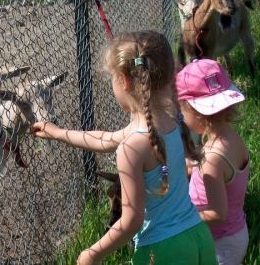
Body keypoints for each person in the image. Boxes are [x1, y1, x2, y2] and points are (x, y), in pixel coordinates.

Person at [31, 30, 217, 265]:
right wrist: (58, 133)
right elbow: (105, 139)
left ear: (124, 80)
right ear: (170, 75)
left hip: (162, 252)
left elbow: (132, 220)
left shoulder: (132, 147)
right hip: (199, 236)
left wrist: (93, 253)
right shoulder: (173, 121)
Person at [176, 59, 250, 265]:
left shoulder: (212, 159)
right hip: (235, 233)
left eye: (182, 112)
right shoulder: (231, 140)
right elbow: (228, 179)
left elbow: (218, 214)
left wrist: (184, 215)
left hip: (221, 244)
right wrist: (195, 166)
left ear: (193, 111)